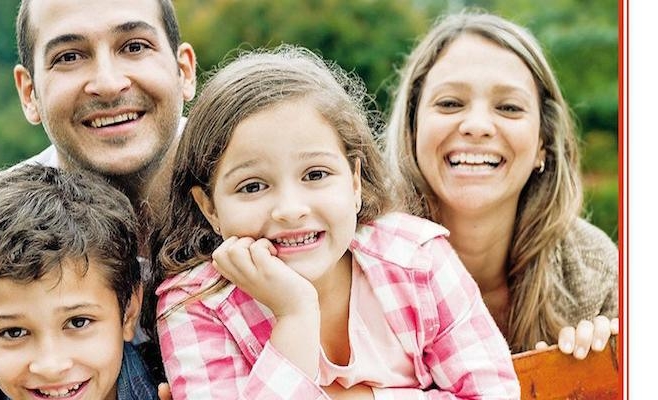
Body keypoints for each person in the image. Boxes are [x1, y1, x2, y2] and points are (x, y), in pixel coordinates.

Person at [147, 45, 519, 399]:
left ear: (354, 182)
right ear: (210, 207)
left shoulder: (417, 260)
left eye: (315, 174)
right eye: (253, 186)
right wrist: (294, 315)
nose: (290, 210)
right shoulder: (195, 305)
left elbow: (493, 393)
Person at [0, 0, 196, 393]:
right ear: (29, 92)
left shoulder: (279, 197)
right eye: (69, 56)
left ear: (184, 70)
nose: (108, 83)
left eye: (134, 46)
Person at [384, 11, 619, 358]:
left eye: (508, 107)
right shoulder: (358, 267)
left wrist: (609, 364)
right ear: (412, 129)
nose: (477, 125)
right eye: (450, 103)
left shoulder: (592, 267)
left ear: (543, 143)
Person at [0, 165, 157, 400]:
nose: (50, 366)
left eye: (78, 322)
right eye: (13, 332)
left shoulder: (181, 383)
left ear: (129, 311)